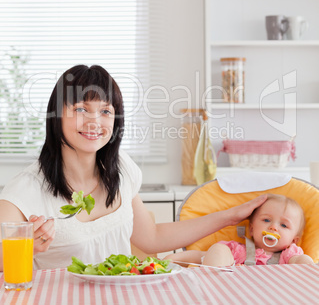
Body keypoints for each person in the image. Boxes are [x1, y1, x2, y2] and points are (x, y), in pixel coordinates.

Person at [0, 64, 268, 270]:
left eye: (106, 111)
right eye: (81, 109)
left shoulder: (120, 168)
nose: (95, 122)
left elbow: (151, 238)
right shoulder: (24, 192)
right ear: (56, 115)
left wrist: (231, 216)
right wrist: (27, 249)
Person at [166, 194, 314, 266]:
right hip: (232, 293)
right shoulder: (238, 251)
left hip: (279, 295)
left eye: (284, 225)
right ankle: (209, 284)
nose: (273, 227)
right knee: (218, 249)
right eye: (266, 220)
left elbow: (299, 262)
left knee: (305, 262)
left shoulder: (289, 256)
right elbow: (199, 256)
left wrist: (304, 262)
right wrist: (170, 260)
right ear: (251, 229)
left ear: (294, 240)